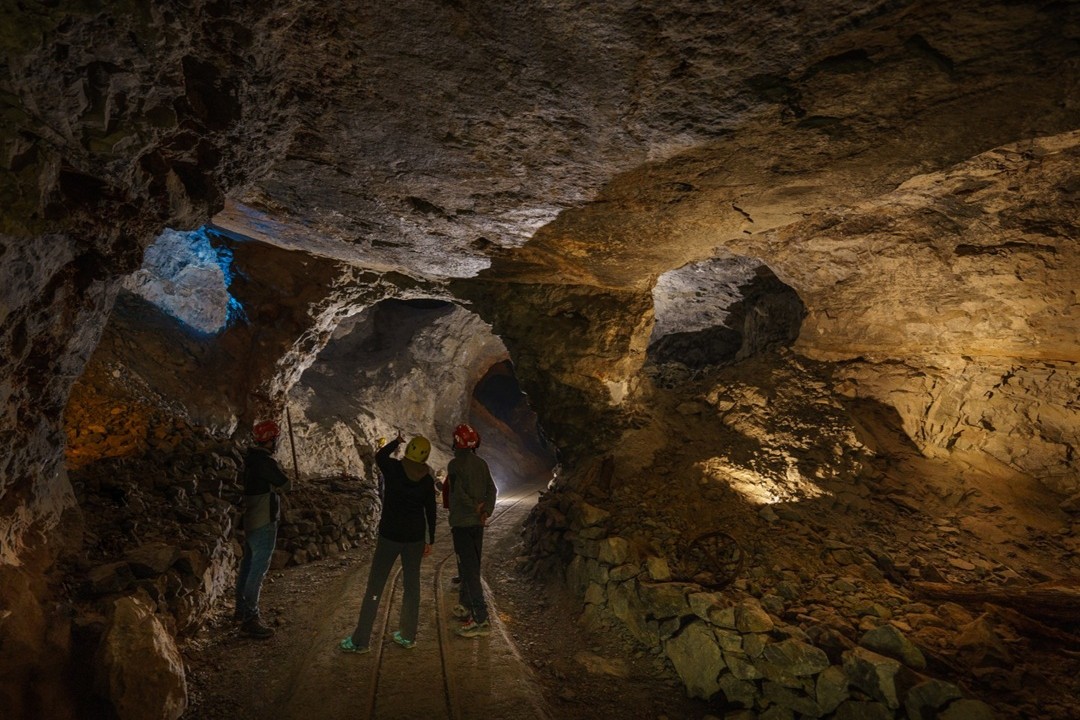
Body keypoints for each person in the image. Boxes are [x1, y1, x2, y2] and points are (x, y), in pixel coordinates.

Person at [340, 433, 436, 653]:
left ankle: (360, 641)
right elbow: (430, 512)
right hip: (414, 538)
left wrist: (395, 442)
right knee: (412, 587)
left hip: (390, 536)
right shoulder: (427, 480)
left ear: (409, 449)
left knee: (376, 586)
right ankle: (407, 636)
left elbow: (380, 456)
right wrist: (429, 540)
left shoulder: (393, 468)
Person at [235, 419, 292, 639]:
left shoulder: (249, 459)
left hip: (250, 520)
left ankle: (240, 611)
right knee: (257, 570)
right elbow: (286, 484)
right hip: (264, 520)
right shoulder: (265, 462)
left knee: (247, 566)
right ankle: (250, 619)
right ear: (271, 440)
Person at [446, 423, 497, 638]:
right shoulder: (482, 463)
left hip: (462, 523)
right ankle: (466, 606)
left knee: (468, 570)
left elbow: (457, 493)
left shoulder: (454, 465)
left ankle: (480, 619)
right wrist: (486, 510)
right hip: (478, 525)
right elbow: (492, 489)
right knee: (471, 566)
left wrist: (474, 507)